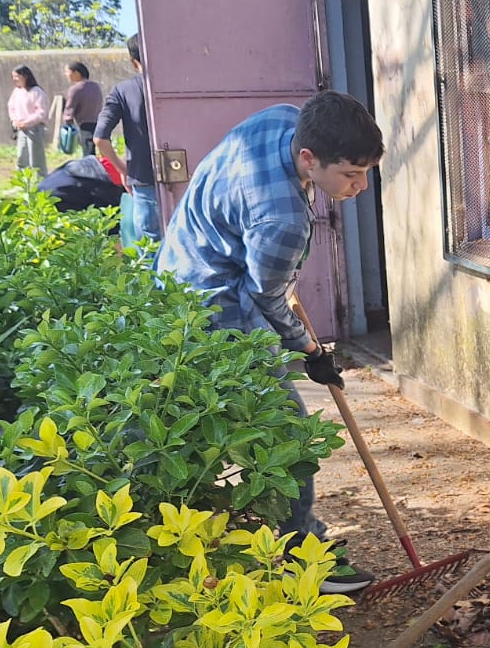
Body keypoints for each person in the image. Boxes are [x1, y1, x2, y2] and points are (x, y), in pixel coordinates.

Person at [156, 90, 384, 594]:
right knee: (287, 435)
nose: (360, 186)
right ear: (309, 158)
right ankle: (299, 557)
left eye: (366, 171)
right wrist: (311, 352)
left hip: (179, 267)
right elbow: (268, 298)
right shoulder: (283, 219)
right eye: (349, 174)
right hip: (213, 306)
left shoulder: (284, 119)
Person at [95, 34, 160, 244]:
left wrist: (124, 169)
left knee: (151, 247)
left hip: (143, 176)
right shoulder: (182, 87)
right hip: (187, 175)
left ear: (134, 61)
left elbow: (100, 138)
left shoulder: (122, 91)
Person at [8, 65, 49, 170]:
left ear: (25, 76)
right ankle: (22, 182)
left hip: (35, 128)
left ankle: (40, 182)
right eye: (13, 77)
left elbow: (41, 112)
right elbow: (11, 107)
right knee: (21, 157)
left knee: (36, 159)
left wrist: (26, 122)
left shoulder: (37, 92)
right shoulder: (17, 91)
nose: (14, 79)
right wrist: (15, 120)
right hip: (21, 129)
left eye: (16, 76)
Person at [63, 61, 104, 157]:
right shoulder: (95, 86)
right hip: (99, 122)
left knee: (88, 152)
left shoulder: (76, 89)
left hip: (85, 125)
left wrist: (68, 122)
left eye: (67, 72)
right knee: (104, 151)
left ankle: (91, 171)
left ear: (76, 73)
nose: (66, 75)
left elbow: (69, 109)